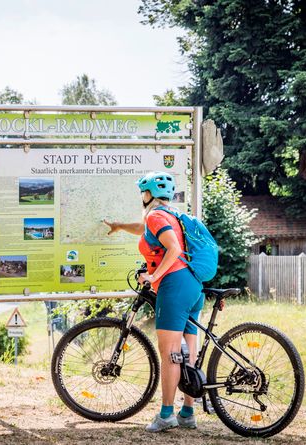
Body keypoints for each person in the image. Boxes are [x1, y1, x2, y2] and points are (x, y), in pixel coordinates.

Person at [103, 171, 204, 433]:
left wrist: (153, 276)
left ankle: (167, 414)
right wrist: (120, 226)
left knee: (170, 354)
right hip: (192, 285)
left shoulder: (157, 216)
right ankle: (187, 412)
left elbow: (173, 249)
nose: (141, 196)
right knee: (187, 352)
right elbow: (148, 231)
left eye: (142, 192)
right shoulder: (169, 215)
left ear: (148, 194)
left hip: (174, 286)